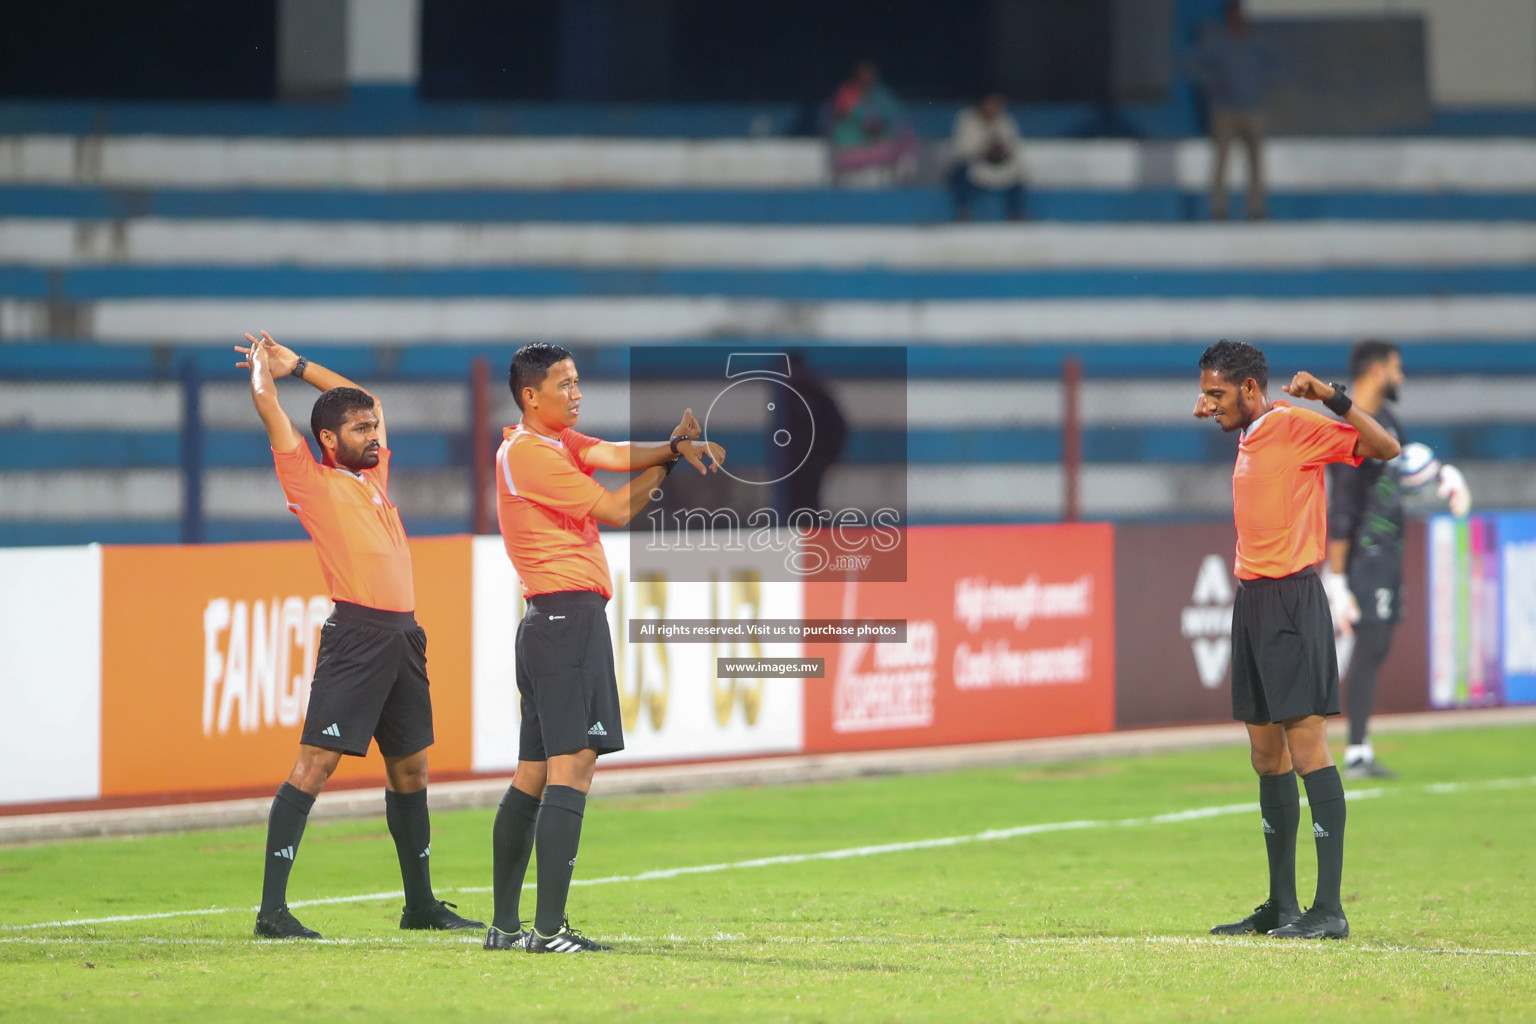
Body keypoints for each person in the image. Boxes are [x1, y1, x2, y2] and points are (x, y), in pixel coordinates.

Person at [236, 331, 482, 940]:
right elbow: (269, 409)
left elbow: (366, 395)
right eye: (361, 429)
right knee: (314, 765)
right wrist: (266, 374)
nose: (375, 435)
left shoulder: (373, 477)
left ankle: (420, 907)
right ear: (328, 440)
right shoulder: (310, 481)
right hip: (358, 636)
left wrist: (300, 366)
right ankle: (272, 911)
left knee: (411, 772)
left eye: (375, 427)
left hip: (403, 637)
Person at [484, 342, 725, 954]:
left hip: (549, 618)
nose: (577, 392)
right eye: (564, 384)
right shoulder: (530, 455)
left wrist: (670, 447)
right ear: (531, 396)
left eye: (577, 381)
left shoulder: (547, 444)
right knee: (574, 767)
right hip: (567, 618)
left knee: (534, 773)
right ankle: (548, 930)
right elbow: (618, 506)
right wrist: (671, 464)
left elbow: (614, 454)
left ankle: (508, 926)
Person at [1193, 339, 1400, 940]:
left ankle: (1328, 909)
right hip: (1252, 600)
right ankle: (1281, 905)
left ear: (1252, 391)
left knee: (1308, 748)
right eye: (1205, 393)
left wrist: (1332, 397)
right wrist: (1213, 405)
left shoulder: (1291, 425)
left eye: (1217, 393)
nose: (1207, 404)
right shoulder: (1249, 431)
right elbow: (1228, 414)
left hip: (1291, 599)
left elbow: (1384, 447)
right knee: (1266, 755)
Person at [1324, 339, 1472, 779]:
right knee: (1369, 643)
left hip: (1388, 548)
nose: (1400, 377)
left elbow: (1402, 475)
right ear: (1375, 371)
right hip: (1364, 553)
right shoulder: (1348, 429)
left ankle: (1357, 748)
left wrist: (1440, 476)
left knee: (1379, 642)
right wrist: (1336, 579)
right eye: (1395, 369)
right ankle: (1355, 753)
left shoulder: (1387, 423)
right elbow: (1342, 508)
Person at [1190, 2, 1279, 221]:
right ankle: (1219, 210)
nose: (1237, 18)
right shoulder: (1217, 43)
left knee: (1256, 163)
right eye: (1233, 15)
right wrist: (1211, 83)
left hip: (1253, 109)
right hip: (1224, 111)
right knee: (1221, 163)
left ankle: (1256, 210)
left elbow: (1277, 66)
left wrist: (1259, 82)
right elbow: (1193, 65)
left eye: (1239, 15)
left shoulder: (1257, 42)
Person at [827, 59, 918, 183]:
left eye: (870, 73)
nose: (866, 76)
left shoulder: (881, 94)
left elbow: (893, 118)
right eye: (863, 73)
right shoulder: (847, 93)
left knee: (905, 142)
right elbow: (855, 117)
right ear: (856, 75)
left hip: (876, 147)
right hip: (850, 149)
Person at [949, 93, 1026, 222]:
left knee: (1019, 175)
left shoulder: (1004, 120)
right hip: (975, 164)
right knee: (958, 174)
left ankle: (1015, 214)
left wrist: (1000, 149)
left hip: (1000, 165)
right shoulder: (968, 119)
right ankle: (963, 212)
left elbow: (1012, 147)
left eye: (998, 105)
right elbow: (962, 149)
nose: (994, 109)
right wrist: (984, 148)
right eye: (991, 104)